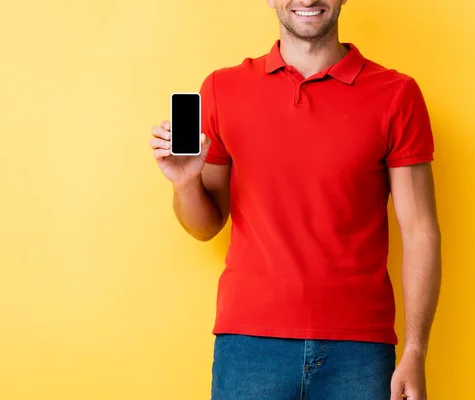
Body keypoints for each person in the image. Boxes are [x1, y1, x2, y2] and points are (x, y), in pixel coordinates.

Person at [149, 1, 441, 399]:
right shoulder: (222, 88)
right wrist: (184, 183)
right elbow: (206, 226)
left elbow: (420, 230)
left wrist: (415, 352)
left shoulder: (396, 94)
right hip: (249, 344)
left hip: (360, 348)